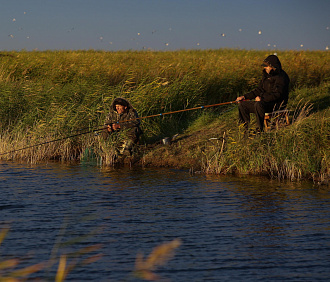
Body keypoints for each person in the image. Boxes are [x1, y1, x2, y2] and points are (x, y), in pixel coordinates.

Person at [236, 54, 290, 133]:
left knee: (258, 104)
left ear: (273, 66)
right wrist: (244, 97)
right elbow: (258, 90)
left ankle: (259, 131)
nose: (264, 67)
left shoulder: (282, 77)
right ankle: (244, 130)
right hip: (264, 102)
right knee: (243, 105)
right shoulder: (266, 75)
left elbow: (278, 94)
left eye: (266, 66)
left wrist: (262, 99)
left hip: (277, 104)